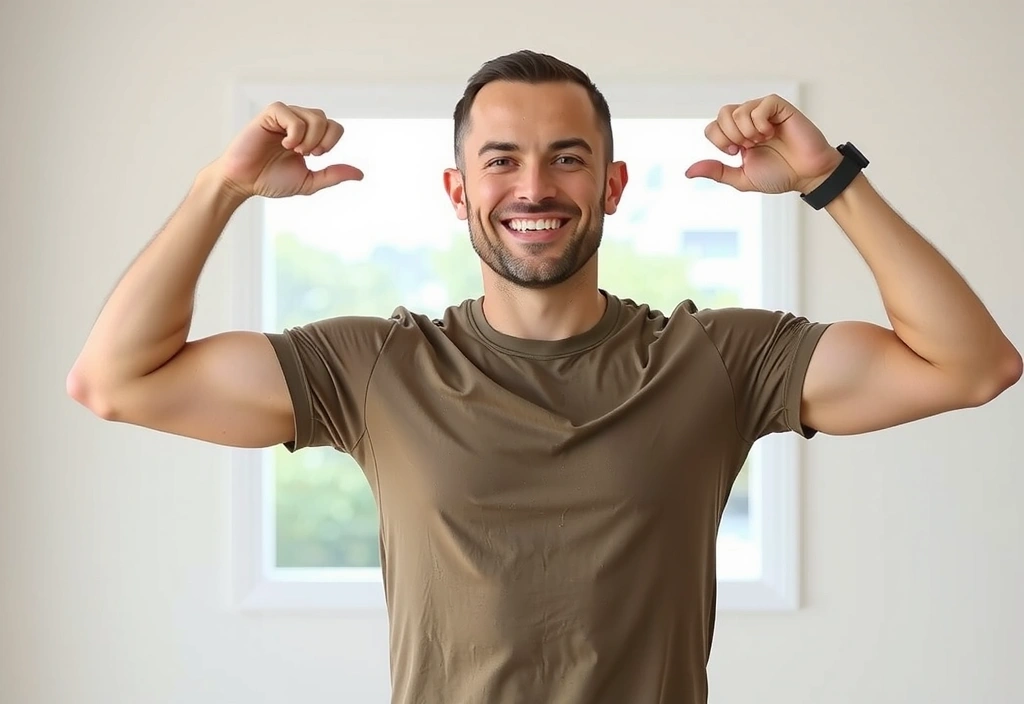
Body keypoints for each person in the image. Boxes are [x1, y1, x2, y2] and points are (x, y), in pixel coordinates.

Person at [67, 49, 1021, 704]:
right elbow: (116, 382)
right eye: (502, 161)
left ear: (611, 185)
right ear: (459, 193)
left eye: (568, 159)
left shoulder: (718, 361)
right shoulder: (374, 368)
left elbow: (973, 367)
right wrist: (222, 188)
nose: (534, 188)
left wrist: (828, 180)